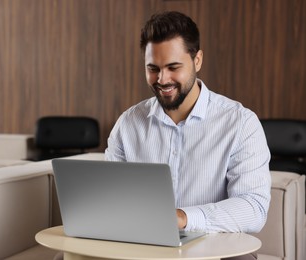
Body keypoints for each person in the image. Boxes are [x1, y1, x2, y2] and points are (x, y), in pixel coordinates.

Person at [104, 11, 271, 260]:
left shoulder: (240, 123)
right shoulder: (128, 124)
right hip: (142, 249)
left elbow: (253, 208)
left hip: (213, 250)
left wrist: (182, 218)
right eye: (153, 69)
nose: (162, 79)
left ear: (198, 60)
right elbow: (110, 196)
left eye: (173, 67)